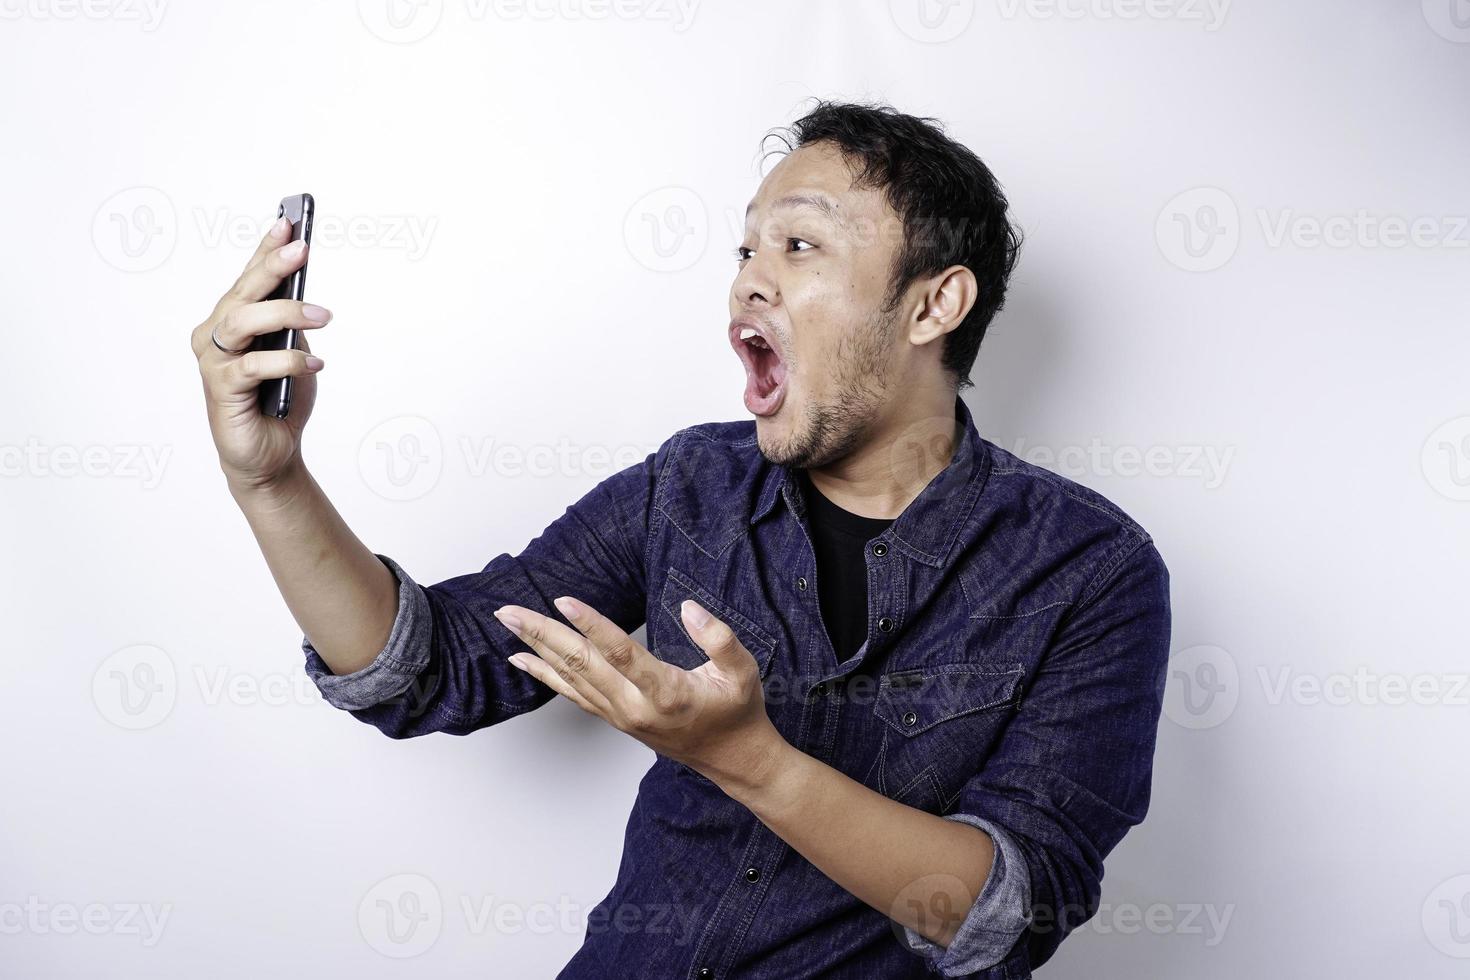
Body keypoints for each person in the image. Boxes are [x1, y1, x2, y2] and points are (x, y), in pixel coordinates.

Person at [190, 100, 1171, 979]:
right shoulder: (691, 485)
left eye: (799, 246)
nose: (749, 282)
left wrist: (751, 757)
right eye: (745, 252)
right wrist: (270, 481)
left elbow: (1006, 911)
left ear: (932, 304)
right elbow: (430, 666)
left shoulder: (1091, 572)